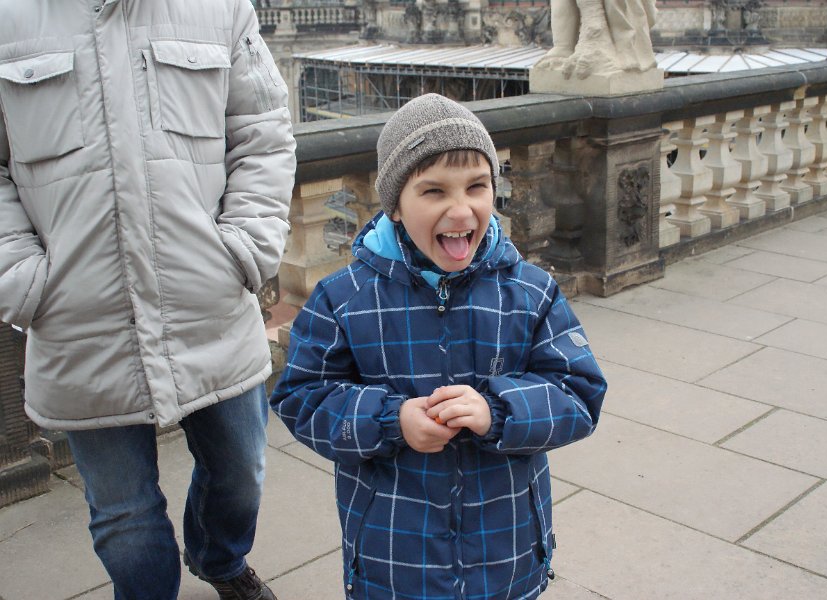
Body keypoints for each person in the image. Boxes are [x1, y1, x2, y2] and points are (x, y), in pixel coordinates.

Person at [0, 1, 296, 598]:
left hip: (209, 300)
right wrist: (22, 277)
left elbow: (262, 133)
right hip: (78, 317)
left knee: (241, 473)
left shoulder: (221, 8)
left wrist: (245, 246)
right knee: (124, 519)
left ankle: (219, 559)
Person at [270, 93, 607, 599]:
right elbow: (301, 398)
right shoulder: (343, 298)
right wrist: (391, 420)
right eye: (433, 191)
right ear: (395, 205)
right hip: (394, 556)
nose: (461, 208)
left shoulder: (531, 291)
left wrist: (498, 411)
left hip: (507, 552)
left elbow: (579, 393)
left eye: (477, 186)